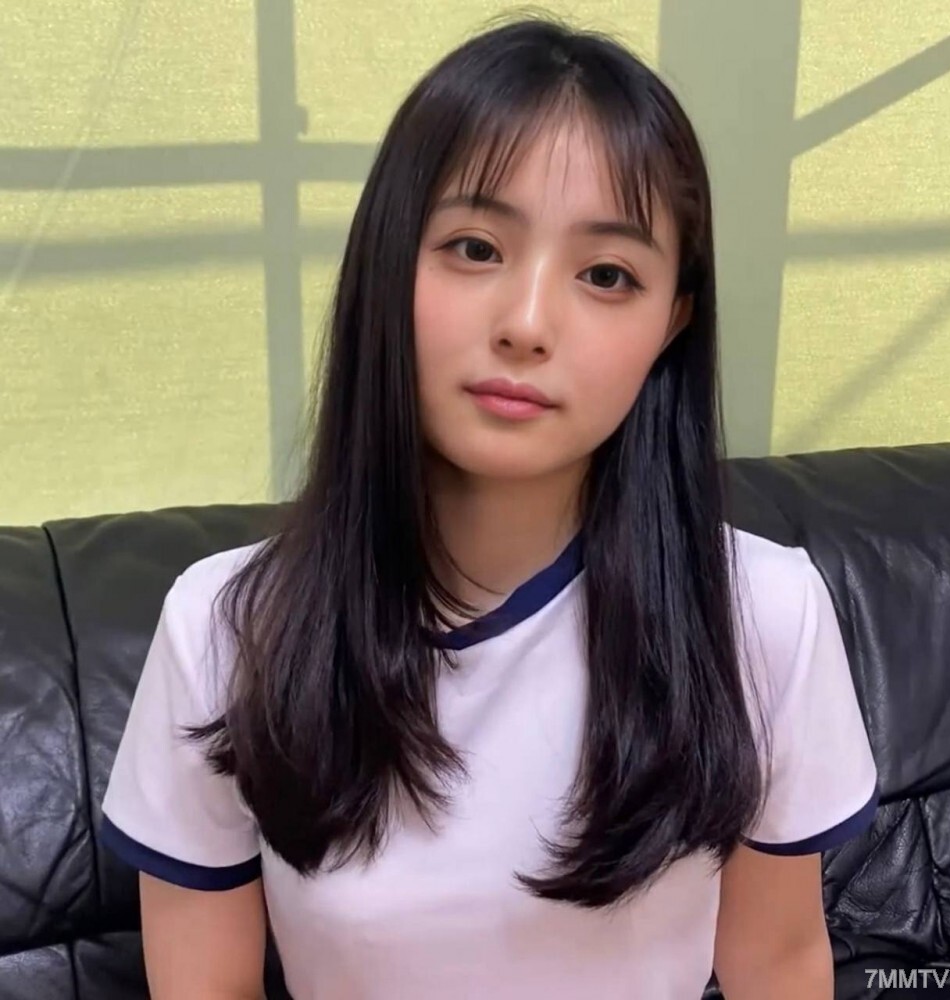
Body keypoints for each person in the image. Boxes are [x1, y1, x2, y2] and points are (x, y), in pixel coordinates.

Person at [100, 16, 879, 1000]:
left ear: (670, 324)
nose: (526, 323)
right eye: (474, 247)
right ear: (388, 265)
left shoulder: (762, 613)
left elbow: (776, 964)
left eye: (607, 275)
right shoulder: (226, 628)